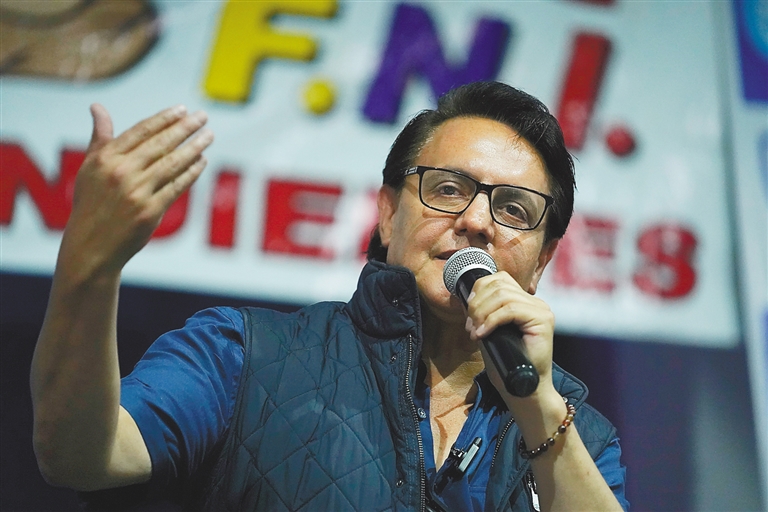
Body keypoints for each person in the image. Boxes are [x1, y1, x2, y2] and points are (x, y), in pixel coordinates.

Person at [31, 81, 628, 511]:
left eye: (514, 210)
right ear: (387, 214)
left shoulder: (584, 437)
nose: (476, 221)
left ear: (542, 260)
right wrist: (91, 268)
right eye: (448, 189)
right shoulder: (245, 354)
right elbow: (82, 454)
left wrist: (537, 405)